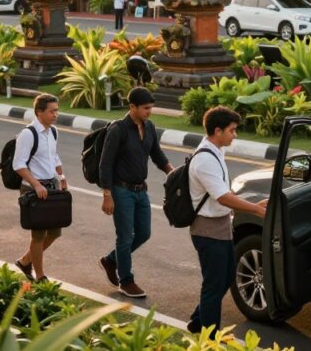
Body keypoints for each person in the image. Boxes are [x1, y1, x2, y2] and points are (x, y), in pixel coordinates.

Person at [186, 106, 268, 334]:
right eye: (232, 130)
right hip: (207, 230)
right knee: (213, 285)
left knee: (226, 277)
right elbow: (222, 197)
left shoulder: (216, 151)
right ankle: (209, 338)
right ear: (217, 130)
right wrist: (254, 209)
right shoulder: (205, 160)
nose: (235, 134)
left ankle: (197, 319)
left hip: (221, 227)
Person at [98, 87, 174, 298]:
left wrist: (172, 172)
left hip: (141, 191)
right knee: (124, 236)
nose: (149, 112)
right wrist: (107, 194)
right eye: (145, 108)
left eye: (151, 108)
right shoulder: (118, 129)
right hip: (121, 191)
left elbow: (157, 154)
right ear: (132, 107)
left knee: (144, 233)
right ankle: (126, 280)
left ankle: (111, 260)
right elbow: (105, 164)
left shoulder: (149, 126)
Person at [13, 94, 67, 282]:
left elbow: (54, 157)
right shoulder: (28, 134)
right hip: (33, 189)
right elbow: (18, 164)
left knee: (55, 232)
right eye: (52, 111)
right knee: (38, 235)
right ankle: (40, 275)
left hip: (51, 186)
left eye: (56, 111)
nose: (55, 114)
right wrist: (35, 184)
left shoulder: (53, 132)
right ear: (39, 112)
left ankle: (25, 260)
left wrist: (61, 177)